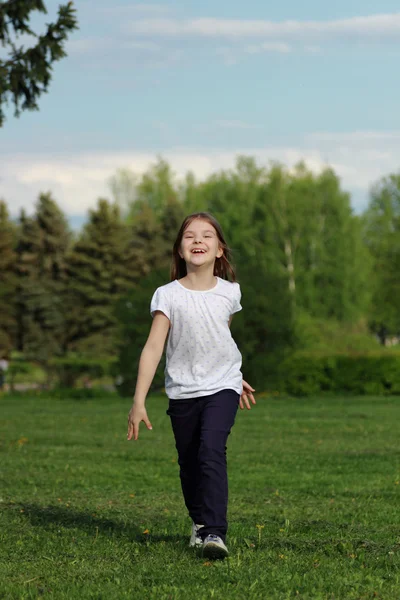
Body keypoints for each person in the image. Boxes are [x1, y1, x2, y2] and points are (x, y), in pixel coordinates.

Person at [127, 212, 256, 560]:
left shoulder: (230, 293)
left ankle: (215, 532)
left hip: (223, 386)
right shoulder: (167, 295)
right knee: (189, 460)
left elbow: (220, 338)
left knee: (212, 451)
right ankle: (199, 522)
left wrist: (233, 374)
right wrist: (138, 401)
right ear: (180, 250)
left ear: (219, 251)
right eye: (190, 236)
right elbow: (154, 348)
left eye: (207, 236)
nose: (198, 241)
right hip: (182, 391)